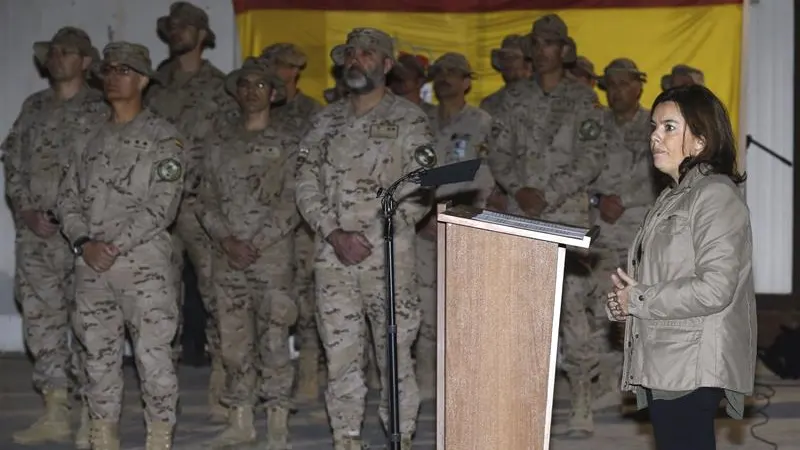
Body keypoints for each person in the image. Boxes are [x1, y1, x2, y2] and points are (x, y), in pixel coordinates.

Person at [296, 27, 435, 450]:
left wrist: (374, 236)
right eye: (350, 54)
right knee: (339, 355)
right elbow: (304, 181)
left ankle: (401, 437)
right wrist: (334, 233)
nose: (356, 60)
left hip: (389, 257)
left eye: (367, 54)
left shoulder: (409, 120)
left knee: (394, 358)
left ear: (387, 66)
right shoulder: (324, 120)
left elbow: (422, 187)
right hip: (334, 258)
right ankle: (347, 438)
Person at [606, 84, 756, 450]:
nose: (655, 137)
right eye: (654, 127)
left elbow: (715, 287)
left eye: (669, 127)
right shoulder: (673, 197)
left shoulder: (714, 195)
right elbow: (664, 277)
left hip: (691, 363)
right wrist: (625, 303)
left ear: (701, 140)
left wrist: (638, 299)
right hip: (669, 357)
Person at [59, 41, 185, 449]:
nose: (114, 78)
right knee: (96, 357)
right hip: (90, 265)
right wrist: (84, 242)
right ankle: (102, 434)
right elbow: (66, 198)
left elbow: (162, 204)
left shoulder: (164, 138)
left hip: (142, 263)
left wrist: (111, 245)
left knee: (154, 359)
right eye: (110, 70)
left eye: (125, 70)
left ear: (144, 80)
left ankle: (159, 437)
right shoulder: (85, 136)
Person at [3, 26, 105, 448]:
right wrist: (25, 210)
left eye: (68, 52)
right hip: (37, 237)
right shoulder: (34, 107)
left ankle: (91, 414)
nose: (58, 58)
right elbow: (13, 162)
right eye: (54, 52)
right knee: (42, 322)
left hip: (83, 238)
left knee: (90, 324)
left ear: (85, 62)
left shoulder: (102, 109)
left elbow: (110, 173)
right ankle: (54, 410)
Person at [199, 58, 298, 449]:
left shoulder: (289, 143)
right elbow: (203, 198)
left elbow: (294, 201)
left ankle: (277, 424)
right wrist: (226, 240)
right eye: (244, 85)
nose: (251, 91)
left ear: (273, 94)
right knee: (233, 343)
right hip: (227, 258)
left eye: (260, 85)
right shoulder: (219, 142)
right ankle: (241, 420)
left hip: (270, 258)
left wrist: (256, 242)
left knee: (275, 340)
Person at [414, 52, 496, 400]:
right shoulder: (418, 121)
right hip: (423, 222)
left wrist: (456, 211)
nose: (446, 78)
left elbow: (489, 174)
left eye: (454, 73)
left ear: (467, 81)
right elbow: (409, 172)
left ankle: (466, 383)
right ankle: (428, 384)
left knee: (465, 305)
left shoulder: (482, 122)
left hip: (466, 220)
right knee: (424, 305)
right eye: (440, 73)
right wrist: (424, 214)